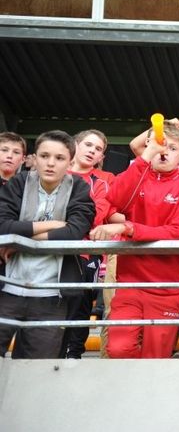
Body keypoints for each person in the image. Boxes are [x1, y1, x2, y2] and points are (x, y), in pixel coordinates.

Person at [94, 122, 179, 359]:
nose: (164, 152)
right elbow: (114, 201)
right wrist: (144, 157)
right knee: (118, 349)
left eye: (172, 148)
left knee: (156, 357)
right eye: (159, 146)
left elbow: (176, 232)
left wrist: (127, 227)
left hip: (167, 287)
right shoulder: (137, 173)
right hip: (129, 283)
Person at [0, 131, 95, 359]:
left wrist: (21, 241)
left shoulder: (79, 188)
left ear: (70, 162)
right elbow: (2, 226)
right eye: (44, 156)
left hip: (52, 294)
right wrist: (53, 224)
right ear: (34, 158)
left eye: (59, 158)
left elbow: (74, 232)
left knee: (36, 368)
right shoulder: (19, 183)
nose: (50, 163)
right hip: (7, 288)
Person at [61, 129, 117, 359]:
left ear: (101, 157)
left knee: (81, 306)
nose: (92, 151)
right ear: (75, 145)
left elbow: (95, 216)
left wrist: (58, 224)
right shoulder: (56, 172)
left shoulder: (105, 179)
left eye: (98, 149)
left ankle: (73, 356)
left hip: (86, 254)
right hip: (48, 253)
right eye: (88, 145)